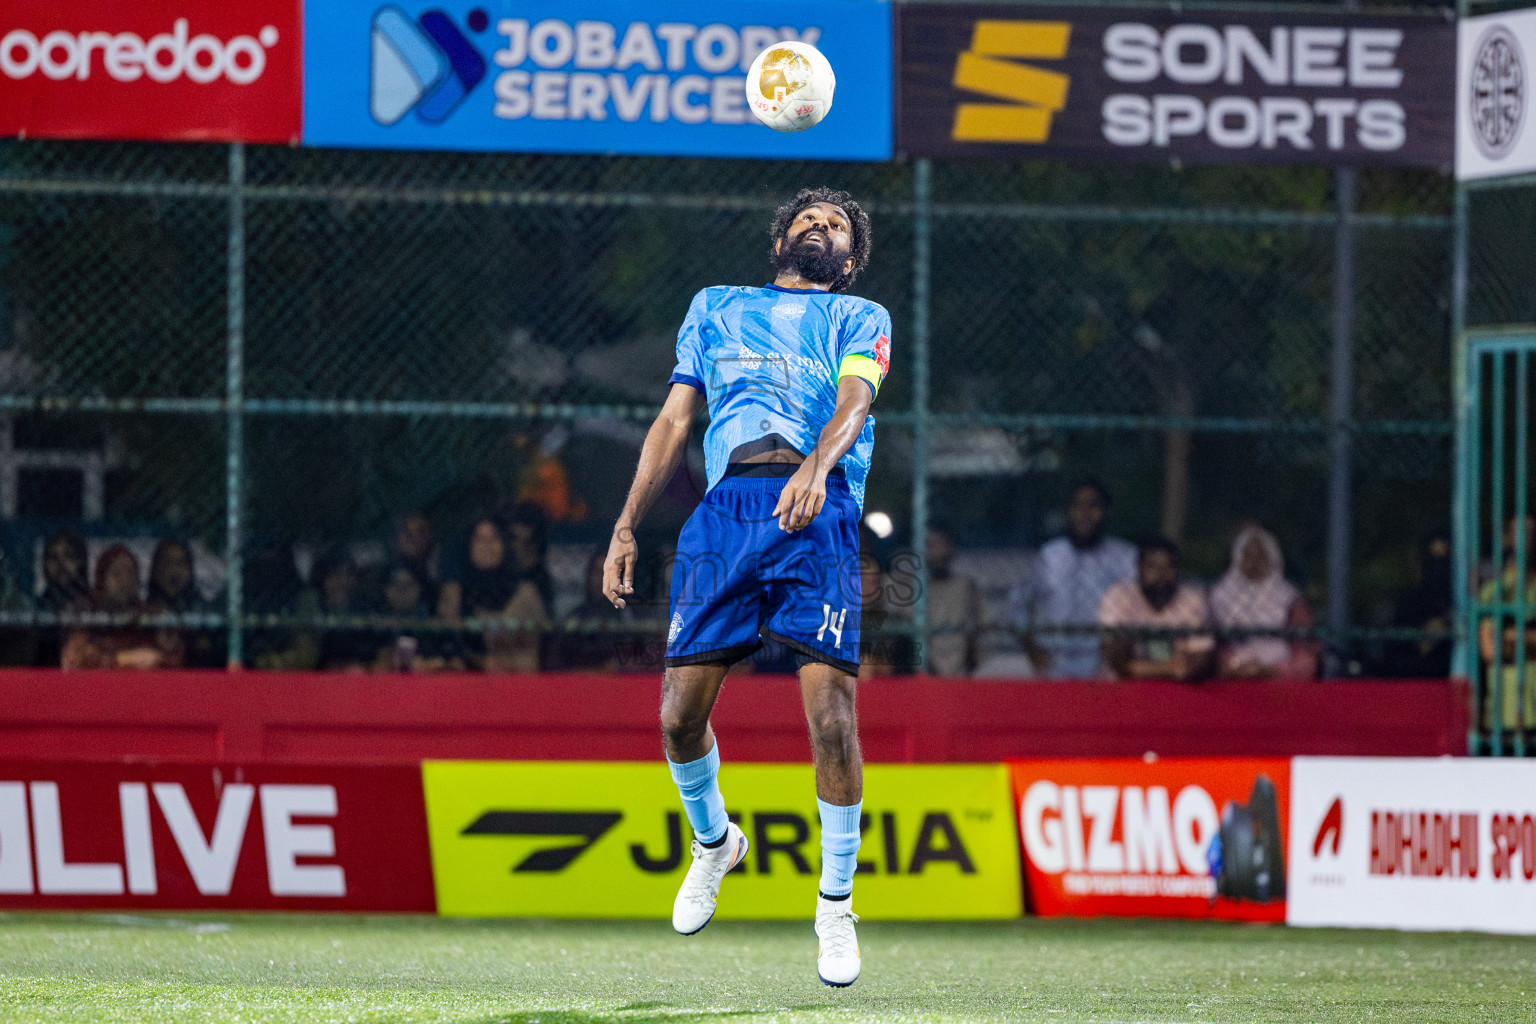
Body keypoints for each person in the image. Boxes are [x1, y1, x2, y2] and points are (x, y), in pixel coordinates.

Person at [602, 187, 886, 987]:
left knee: (832, 720)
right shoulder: (716, 306)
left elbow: (855, 401)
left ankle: (834, 907)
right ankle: (715, 842)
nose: (821, 227)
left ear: (849, 260)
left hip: (818, 508)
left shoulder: (860, 316)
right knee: (676, 719)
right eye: (809, 219)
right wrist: (626, 523)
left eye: (837, 225)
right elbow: (672, 422)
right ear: (781, 238)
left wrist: (816, 468)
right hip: (723, 515)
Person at [1009, 480, 1137, 679]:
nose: (1084, 513)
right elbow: (1017, 602)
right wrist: (1030, 646)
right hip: (1054, 668)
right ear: (1068, 512)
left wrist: (1124, 647)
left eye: (1093, 506)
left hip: (1106, 669)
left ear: (1106, 511)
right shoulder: (1050, 555)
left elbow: (1141, 607)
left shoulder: (1125, 556)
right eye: (1077, 506)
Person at [438, 516, 548, 673]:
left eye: (494, 538)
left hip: (519, 682)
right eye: (480, 539)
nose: (487, 546)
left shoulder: (525, 594)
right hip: (469, 682)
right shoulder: (456, 594)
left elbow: (542, 649)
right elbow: (448, 646)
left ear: (505, 544)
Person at [1209, 526, 1319, 679]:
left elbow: (1305, 648)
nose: (1254, 562)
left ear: (1272, 558)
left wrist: (1270, 670)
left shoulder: (1290, 597)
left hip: (1280, 673)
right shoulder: (1218, 595)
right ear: (1237, 558)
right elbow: (1212, 643)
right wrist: (1233, 666)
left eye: (1260, 556)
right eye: (1248, 556)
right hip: (1233, 671)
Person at [1098, 537, 1215, 681]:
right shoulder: (1119, 596)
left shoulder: (1193, 599)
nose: (1161, 575)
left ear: (1178, 570)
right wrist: (1168, 668)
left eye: (1169, 567)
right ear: (1139, 568)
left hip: (1179, 687)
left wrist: (1144, 668)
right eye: (1152, 567)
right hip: (1124, 687)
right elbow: (1116, 659)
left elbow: (1201, 658)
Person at [61, 545, 185, 670]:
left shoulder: (150, 614)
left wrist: (164, 647)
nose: (125, 580)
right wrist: (123, 658)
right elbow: (74, 658)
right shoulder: (88, 614)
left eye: (130, 573)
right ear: (102, 580)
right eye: (116, 574)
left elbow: (175, 658)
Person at [146, 539, 223, 669]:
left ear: (190, 570)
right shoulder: (143, 612)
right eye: (167, 562)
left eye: (181, 562)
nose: (174, 569)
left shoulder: (206, 613)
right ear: (155, 569)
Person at [1385, 531, 1452, 678]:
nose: (1437, 570)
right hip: (1416, 682)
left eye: (1444, 562)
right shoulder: (1409, 603)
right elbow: (1398, 655)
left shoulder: (1466, 602)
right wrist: (1425, 639)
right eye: (1432, 563)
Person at [924, 525, 983, 676]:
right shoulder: (914, 590)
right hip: (928, 668)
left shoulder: (965, 586)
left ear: (950, 549)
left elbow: (982, 625)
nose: (937, 552)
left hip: (963, 667)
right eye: (931, 546)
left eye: (941, 545)